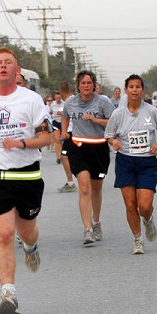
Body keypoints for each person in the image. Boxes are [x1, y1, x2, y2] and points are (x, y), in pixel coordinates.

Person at [0, 47, 52, 314]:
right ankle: (8, 293)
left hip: (27, 176)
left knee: (26, 232)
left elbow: (47, 138)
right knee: (4, 234)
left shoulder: (31, 100)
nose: (3, 66)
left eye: (8, 63)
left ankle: (30, 246)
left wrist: (21, 142)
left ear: (17, 70)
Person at [104, 74, 157, 254]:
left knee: (144, 206)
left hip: (147, 161)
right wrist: (113, 142)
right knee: (130, 204)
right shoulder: (118, 114)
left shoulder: (151, 111)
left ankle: (147, 219)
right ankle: (138, 240)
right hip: (125, 161)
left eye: (138, 87)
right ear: (126, 90)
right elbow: (109, 135)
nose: (135, 90)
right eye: (131, 87)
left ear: (142, 90)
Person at [61, 70, 115, 245]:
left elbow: (115, 121)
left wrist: (96, 120)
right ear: (78, 85)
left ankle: (96, 221)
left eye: (89, 83)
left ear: (94, 85)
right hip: (78, 147)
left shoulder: (103, 102)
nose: (86, 86)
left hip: (99, 148)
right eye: (83, 83)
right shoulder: (71, 102)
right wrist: (63, 131)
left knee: (96, 189)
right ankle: (87, 229)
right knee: (84, 188)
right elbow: (64, 115)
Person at [57, 81, 77, 193]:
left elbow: (69, 116)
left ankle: (71, 182)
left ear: (61, 91)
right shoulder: (73, 99)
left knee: (64, 156)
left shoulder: (68, 101)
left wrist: (65, 132)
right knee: (69, 156)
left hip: (71, 132)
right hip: (74, 132)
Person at [49, 91, 64, 164]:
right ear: (55, 98)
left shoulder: (64, 104)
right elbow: (49, 112)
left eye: (59, 98)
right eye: (56, 98)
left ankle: (63, 154)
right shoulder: (52, 104)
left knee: (63, 140)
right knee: (57, 140)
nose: (58, 100)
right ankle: (58, 156)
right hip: (55, 122)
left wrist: (61, 113)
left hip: (63, 122)